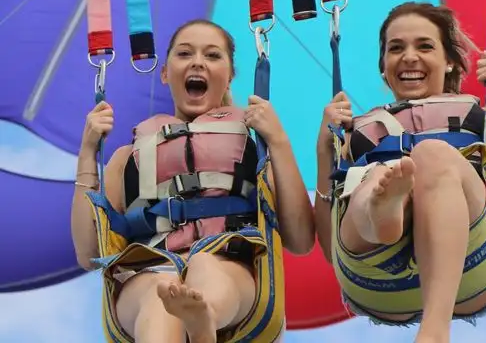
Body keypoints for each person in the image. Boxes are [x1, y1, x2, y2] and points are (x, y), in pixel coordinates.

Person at [70, 19, 315, 343]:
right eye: (185, 53)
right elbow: (88, 254)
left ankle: (203, 317)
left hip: (229, 265)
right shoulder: (126, 158)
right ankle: (195, 323)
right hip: (150, 269)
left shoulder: (252, 148)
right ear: (165, 72)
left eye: (212, 56)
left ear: (230, 76)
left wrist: (278, 141)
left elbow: (300, 240)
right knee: (159, 297)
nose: (198, 61)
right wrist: (88, 151)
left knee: (204, 267)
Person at [314, 2, 486, 342]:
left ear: (450, 60)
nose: (409, 57)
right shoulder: (355, 130)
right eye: (396, 48)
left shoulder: (477, 115)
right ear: (383, 66)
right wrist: (324, 150)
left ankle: (435, 330)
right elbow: (329, 251)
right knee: (374, 178)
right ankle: (385, 210)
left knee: (431, 156)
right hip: (372, 265)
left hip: (472, 253)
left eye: (424, 46)